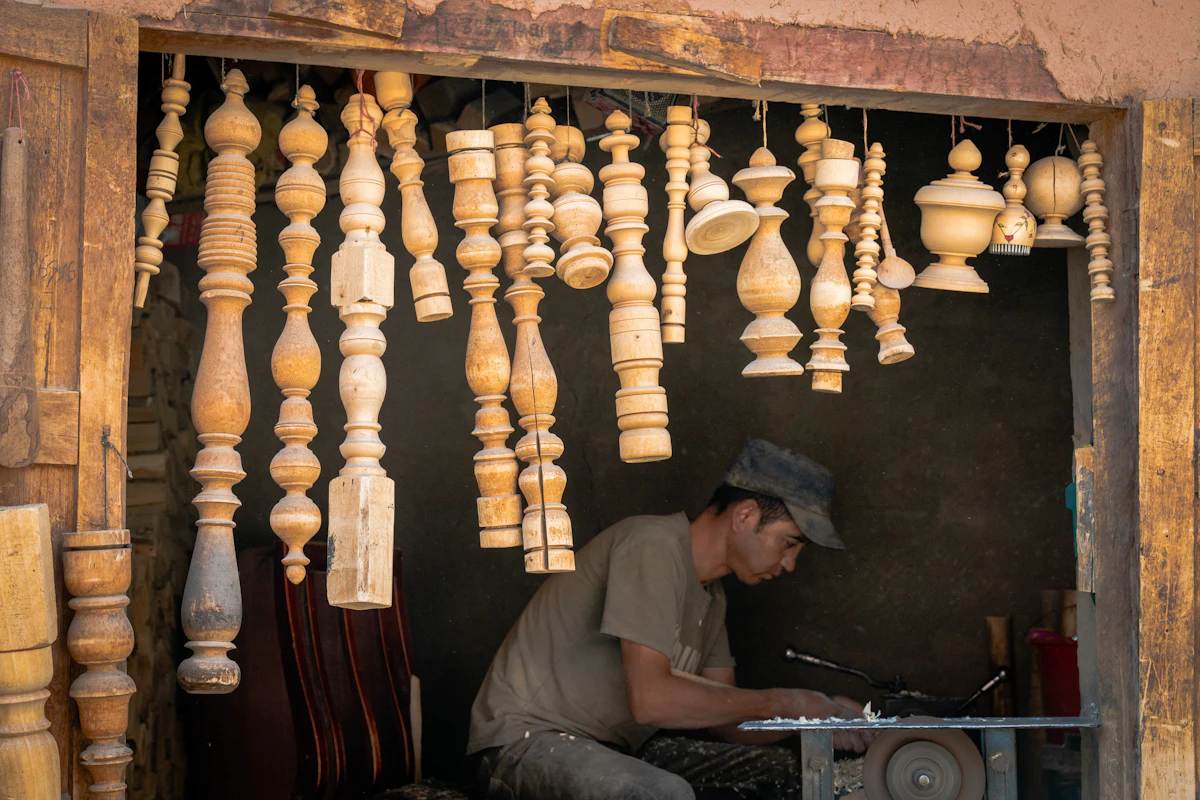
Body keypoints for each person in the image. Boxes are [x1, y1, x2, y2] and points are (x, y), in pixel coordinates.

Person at [468, 439, 870, 800]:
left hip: (611, 750)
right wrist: (790, 702)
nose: (790, 564)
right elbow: (650, 700)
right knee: (658, 793)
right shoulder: (652, 545)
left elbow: (728, 723)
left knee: (783, 774)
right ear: (746, 515)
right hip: (525, 744)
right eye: (789, 543)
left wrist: (819, 716)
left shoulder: (712, 597)